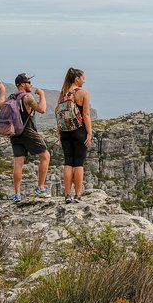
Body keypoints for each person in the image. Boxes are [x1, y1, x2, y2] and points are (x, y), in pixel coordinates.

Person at [0, 73, 51, 202]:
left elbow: (0, 106)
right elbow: (42, 109)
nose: (31, 85)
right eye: (28, 83)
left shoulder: (11, 97)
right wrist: (42, 95)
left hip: (14, 133)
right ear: (22, 84)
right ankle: (40, 188)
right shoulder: (27, 97)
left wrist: (2, 90)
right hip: (27, 131)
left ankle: (17, 194)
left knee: (18, 163)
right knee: (45, 156)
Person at [55, 67, 92, 204]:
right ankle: (77, 195)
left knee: (68, 162)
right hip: (79, 131)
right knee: (79, 164)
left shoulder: (63, 93)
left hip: (65, 132)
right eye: (83, 77)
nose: (84, 80)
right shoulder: (83, 93)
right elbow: (86, 114)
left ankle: (67, 195)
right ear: (77, 78)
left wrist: (59, 131)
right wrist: (89, 132)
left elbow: (58, 112)